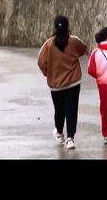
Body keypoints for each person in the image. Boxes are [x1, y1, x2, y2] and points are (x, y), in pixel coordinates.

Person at [37, 15, 87, 150]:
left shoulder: (48, 44)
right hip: (73, 83)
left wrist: (48, 73)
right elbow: (84, 49)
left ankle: (59, 133)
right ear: (67, 26)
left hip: (56, 85)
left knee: (59, 111)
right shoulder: (74, 41)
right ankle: (70, 138)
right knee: (72, 110)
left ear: (55, 27)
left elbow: (40, 62)